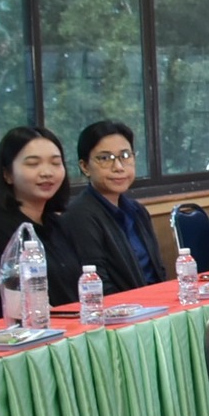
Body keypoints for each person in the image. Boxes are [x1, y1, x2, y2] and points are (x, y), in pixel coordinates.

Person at [0, 125, 78, 311]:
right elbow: (10, 302)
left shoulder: (58, 224)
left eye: (55, 163)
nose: (47, 172)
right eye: (33, 164)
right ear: (7, 174)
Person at [59, 120, 163, 294]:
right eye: (105, 158)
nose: (118, 167)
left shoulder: (137, 211)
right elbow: (97, 286)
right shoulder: (79, 216)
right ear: (85, 167)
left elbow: (158, 272)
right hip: (123, 308)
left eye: (125, 156)